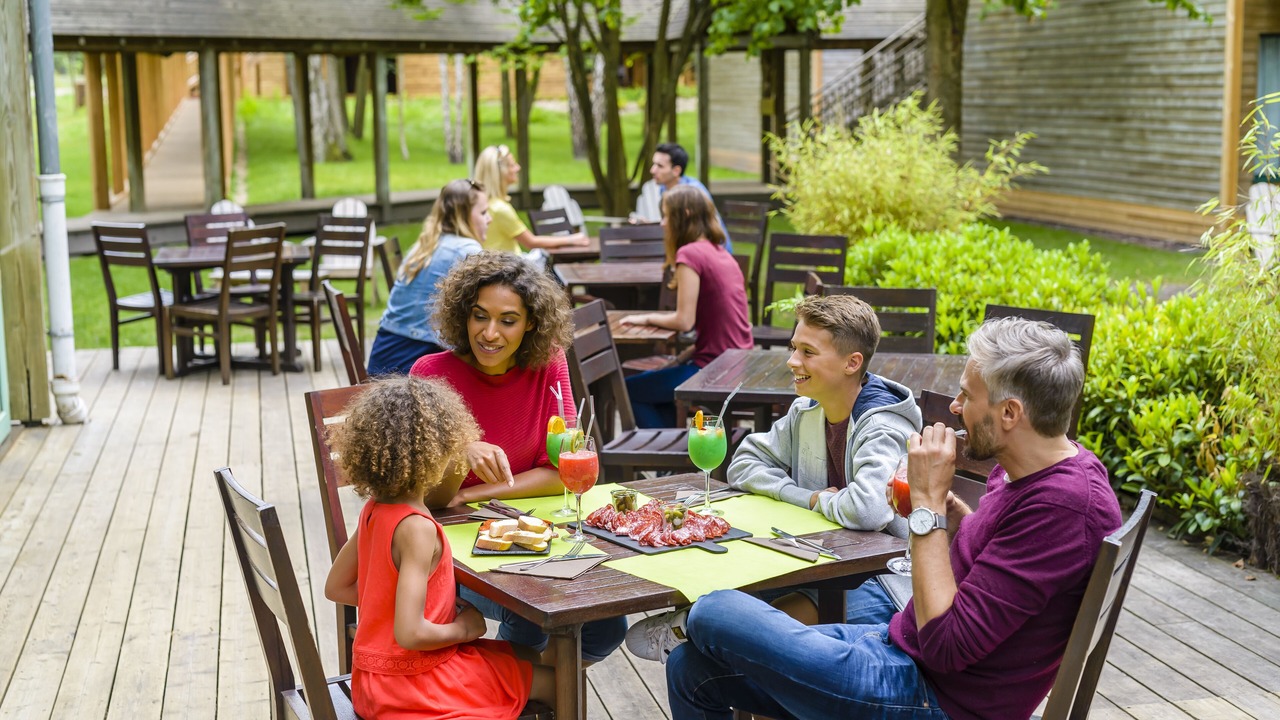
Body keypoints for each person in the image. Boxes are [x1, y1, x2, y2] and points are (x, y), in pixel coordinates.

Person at [633, 317, 1124, 720]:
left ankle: (690, 621)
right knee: (688, 666)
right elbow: (997, 565)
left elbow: (947, 646)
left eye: (966, 397)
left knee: (717, 611)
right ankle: (689, 630)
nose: (954, 408)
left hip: (936, 697)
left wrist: (929, 509)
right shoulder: (1044, 468)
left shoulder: (1063, 507)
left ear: (1011, 413)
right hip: (903, 649)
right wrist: (955, 518)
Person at [409, 251, 628, 664]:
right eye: (479, 316)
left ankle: (531, 689)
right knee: (531, 613)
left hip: (535, 539)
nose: (490, 333)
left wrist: (475, 494)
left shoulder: (548, 367)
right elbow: (428, 501)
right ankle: (526, 691)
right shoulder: (430, 374)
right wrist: (460, 451)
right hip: (450, 556)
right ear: (463, 315)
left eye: (507, 320)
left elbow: (562, 472)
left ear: (531, 324)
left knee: (607, 623)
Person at [323, 376, 555, 719]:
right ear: (437, 453)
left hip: (372, 683)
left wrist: (402, 603)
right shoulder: (417, 529)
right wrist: (466, 628)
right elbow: (410, 633)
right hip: (415, 688)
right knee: (556, 682)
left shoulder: (374, 510)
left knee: (524, 655)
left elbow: (336, 587)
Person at [726, 293, 921, 623]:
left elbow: (869, 510)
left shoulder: (884, 424)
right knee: (726, 589)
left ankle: (689, 629)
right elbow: (743, 463)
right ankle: (690, 631)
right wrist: (809, 497)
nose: (792, 361)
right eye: (793, 348)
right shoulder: (806, 410)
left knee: (750, 624)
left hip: (884, 579)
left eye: (808, 352)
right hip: (817, 564)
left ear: (852, 363)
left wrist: (818, 502)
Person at [620, 185, 753, 428]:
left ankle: (667, 461)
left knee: (628, 390)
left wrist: (647, 318)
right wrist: (683, 356)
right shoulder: (721, 253)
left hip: (714, 370)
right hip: (736, 362)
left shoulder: (690, 254)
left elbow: (684, 321)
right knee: (657, 390)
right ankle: (672, 461)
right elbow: (718, 325)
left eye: (667, 215)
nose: (662, 223)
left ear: (687, 214)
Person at [367, 179, 490, 375]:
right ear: (464, 215)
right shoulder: (467, 249)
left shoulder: (427, 244)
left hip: (383, 355)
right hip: (410, 367)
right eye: (483, 213)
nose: (489, 219)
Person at [472, 144, 590, 256]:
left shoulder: (487, 204)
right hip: (508, 270)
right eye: (513, 165)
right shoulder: (500, 209)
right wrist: (572, 239)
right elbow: (531, 242)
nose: (518, 168)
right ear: (501, 172)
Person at [648, 142, 732, 252]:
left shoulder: (693, 194)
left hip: (712, 252)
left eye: (660, 166)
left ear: (676, 170)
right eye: (654, 164)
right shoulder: (664, 189)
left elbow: (703, 233)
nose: (652, 170)